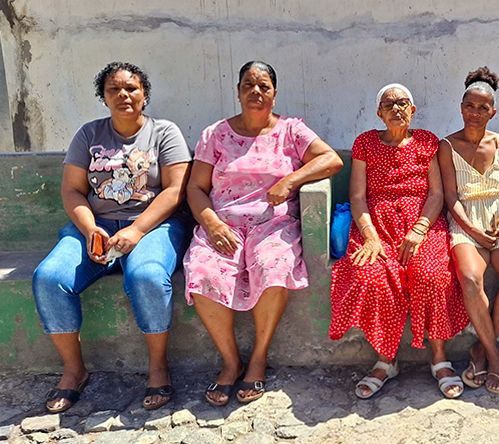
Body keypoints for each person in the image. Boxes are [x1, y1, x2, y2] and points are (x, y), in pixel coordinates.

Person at [32, 61, 193, 412]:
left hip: (154, 225)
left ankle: (157, 367)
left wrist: (136, 230)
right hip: (95, 226)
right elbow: (73, 190)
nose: (123, 95)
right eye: (113, 90)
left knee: (147, 276)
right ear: (103, 97)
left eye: (131, 88)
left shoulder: (164, 133)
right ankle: (74, 371)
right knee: (49, 277)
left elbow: (174, 191)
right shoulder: (89, 135)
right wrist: (91, 229)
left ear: (145, 94)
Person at [183, 61, 343, 406]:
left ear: (274, 92)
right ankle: (230, 362)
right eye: (248, 85)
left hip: (273, 225)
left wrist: (291, 179)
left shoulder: (291, 131)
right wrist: (211, 223)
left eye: (264, 86)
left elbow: (331, 159)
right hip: (223, 224)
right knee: (203, 271)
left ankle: (258, 358)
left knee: (273, 267)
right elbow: (196, 188)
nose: (256, 92)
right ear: (238, 91)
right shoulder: (215, 135)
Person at [329, 83, 469, 399]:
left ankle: (438, 357)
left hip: (422, 223)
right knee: (374, 277)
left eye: (403, 103)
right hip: (376, 226)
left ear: (413, 110)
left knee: (431, 275)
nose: (396, 109)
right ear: (379, 113)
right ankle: (386, 359)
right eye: (389, 104)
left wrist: (420, 228)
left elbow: (436, 193)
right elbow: (357, 196)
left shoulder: (426, 142)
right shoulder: (365, 143)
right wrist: (370, 237)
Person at [438, 67, 499, 396]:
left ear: (493, 111)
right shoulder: (447, 146)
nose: (475, 113)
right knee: (472, 279)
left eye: (482, 107)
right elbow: (449, 198)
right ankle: (495, 358)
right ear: (461, 107)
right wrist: (473, 229)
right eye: (469, 106)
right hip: (464, 222)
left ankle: (479, 350)